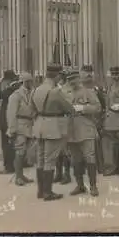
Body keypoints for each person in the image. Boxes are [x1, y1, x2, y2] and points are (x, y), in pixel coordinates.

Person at [31, 63, 75, 201]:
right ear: (56, 76)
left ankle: (40, 190)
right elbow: (69, 108)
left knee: (40, 159)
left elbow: (31, 108)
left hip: (39, 125)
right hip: (52, 125)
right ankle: (48, 192)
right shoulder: (55, 91)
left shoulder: (36, 89)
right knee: (49, 160)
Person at [67, 67, 103, 196]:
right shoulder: (66, 93)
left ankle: (93, 186)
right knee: (76, 159)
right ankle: (80, 185)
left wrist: (83, 108)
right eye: (69, 80)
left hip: (86, 128)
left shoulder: (88, 92)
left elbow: (98, 108)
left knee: (90, 157)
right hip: (71, 130)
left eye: (74, 79)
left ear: (79, 79)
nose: (72, 82)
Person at [6, 72, 36, 186]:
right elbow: (11, 114)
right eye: (27, 81)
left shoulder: (33, 93)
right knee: (20, 151)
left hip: (30, 124)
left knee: (25, 153)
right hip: (19, 124)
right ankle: (18, 176)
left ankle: (22, 174)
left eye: (30, 81)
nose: (30, 83)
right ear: (22, 82)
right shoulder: (16, 95)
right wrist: (12, 129)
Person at [102, 66, 119, 177]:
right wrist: (107, 113)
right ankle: (115, 168)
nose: (115, 76)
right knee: (114, 145)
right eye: (113, 74)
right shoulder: (111, 86)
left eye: (117, 74)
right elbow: (107, 102)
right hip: (111, 119)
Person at [0, 70, 18, 174]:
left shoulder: (11, 90)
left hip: (7, 121)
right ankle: (10, 165)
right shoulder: (14, 89)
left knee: (7, 146)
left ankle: (9, 167)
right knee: (10, 145)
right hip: (8, 121)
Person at [54, 68, 72, 185]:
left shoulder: (68, 89)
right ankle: (58, 173)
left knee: (65, 150)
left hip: (65, 119)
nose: (59, 79)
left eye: (61, 76)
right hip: (55, 120)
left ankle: (67, 174)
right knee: (57, 149)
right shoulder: (53, 89)